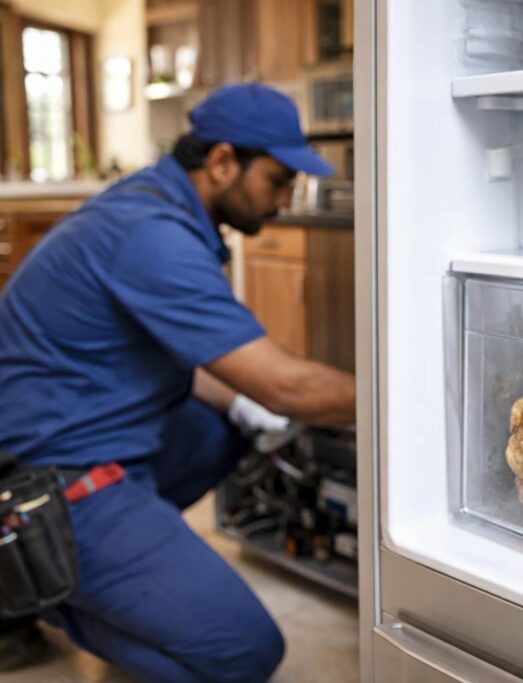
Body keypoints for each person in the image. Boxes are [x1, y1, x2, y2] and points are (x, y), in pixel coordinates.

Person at [0, 83, 356, 682]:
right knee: (244, 651)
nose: (284, 198)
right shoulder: (150, 234)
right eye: (277, 180)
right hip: (47, 477)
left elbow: (192, 362)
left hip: (83, 437)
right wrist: (403, 399)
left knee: (226, 426)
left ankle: (108, 570)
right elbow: (286, 388)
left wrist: (243, 404)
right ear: (221, 162)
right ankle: (32, 576)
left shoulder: (155, 206)